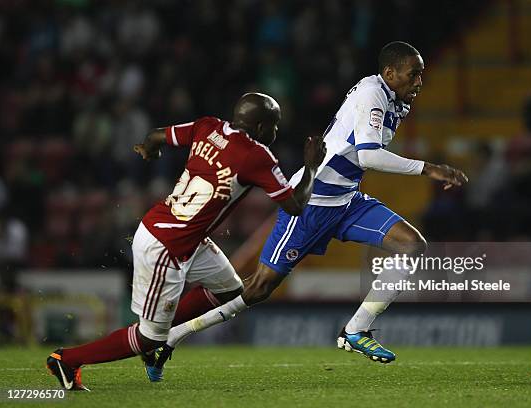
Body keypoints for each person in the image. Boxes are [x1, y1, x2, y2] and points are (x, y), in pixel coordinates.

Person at [149, 41, 468, 377]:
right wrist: (428, 168)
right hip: (311, 203)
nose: (419, 81)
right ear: (390, 73)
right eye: (413, 74)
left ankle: (356, 330)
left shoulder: (392, 98)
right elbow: (368, 155)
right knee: (258, 289)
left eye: (421, 74)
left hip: (346, 200)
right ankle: (172, 335)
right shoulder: (373, 94)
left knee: (412, 245)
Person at [45, 93, 326, 390]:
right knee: (148, 338)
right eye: (274, 125)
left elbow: (154, 136)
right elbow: (295, 205)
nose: (276, 132)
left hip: (182, 234)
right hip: (166, 246)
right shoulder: (256, 156)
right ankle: (67, 358)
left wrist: (149, 150)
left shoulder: (207, 126)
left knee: (229, 289)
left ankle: (164, 332)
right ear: (259, 127)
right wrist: (311, 167)